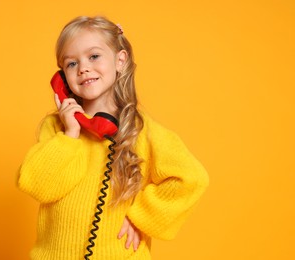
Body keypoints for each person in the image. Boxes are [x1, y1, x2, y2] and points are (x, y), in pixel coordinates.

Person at [17, 16, 209, 260]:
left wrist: (143, 219)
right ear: (62, 77)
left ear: (120, 60)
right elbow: (38, 186)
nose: (83, 68)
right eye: (72, 63)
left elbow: (192, 178)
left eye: (94, 56)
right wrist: (71, 134)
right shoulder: (56, 128)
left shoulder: (141, 130)